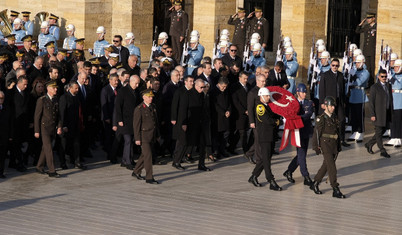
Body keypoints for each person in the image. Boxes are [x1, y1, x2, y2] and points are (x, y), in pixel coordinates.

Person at [311, 96, 346, 198]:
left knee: (325, 166)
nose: (333, 108)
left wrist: (339, 146)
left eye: (333, 106)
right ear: (325, 106)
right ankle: (335, 188)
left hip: (333, 145)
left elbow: (337, 133)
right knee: (332, 168)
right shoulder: (321, 119)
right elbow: (316, 134)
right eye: (331, 106)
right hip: (325, 145)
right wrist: (316, 146)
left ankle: (315, 183)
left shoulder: (334, 118)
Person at [248, 87, 282, 191]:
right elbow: (267, 120)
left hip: (270, 135)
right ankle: (270, 180)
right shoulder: (260, 107)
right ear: (261, 96)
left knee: (265, 158)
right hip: (265, 136)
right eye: (267, 96)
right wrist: (277, 122)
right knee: (266, 159)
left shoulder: (266, 106)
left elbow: (273, 115)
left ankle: (254, 176)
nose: (268, 97)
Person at [283, 83, 314, 186]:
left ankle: (289, 171)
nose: (304, 94)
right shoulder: (293, 103)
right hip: (297, 131)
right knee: (301, 154)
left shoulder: (309, 103)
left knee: (302, 154)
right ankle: (306, 176)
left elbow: (308, 114)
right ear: (297, 92)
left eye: (305, 92)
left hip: (306, 130)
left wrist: (297, 117)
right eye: (302, 92)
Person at [110, 75, 140, 167]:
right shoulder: (122, 91)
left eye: (138, 83)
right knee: (128, 140)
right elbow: (118, 106)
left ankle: (126, 159)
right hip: (124, 120)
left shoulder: (136, 91)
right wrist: (119, 120)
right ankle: (127, 161)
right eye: (136, 83)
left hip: (132, 121)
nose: (137, 85)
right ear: (131, 81)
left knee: (130, 141)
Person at [34, 80, 62, 178]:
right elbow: (37, 116)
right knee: (49, 148)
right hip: (44, 127)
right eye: (54, 88)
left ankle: (39, 166)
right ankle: (52, 170)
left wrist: (59, 126)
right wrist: (36, 131)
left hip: (52, 128)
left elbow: (58, 115)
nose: (56, 89)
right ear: (48, 89)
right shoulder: (42, 100)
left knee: (45, 149)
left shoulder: (56, 99)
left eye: (56, 88)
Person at [319, 58, 349, 147]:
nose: (335, 67)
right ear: (330, 65)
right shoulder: (325, 75)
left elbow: (342, 89)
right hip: (329, 102)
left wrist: (343, 101)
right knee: (329, 120)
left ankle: (341, 139)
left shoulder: (340, 75)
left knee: (341, 119)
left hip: (339, 101)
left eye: (336, 65)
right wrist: (322, 102)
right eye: (333, 65)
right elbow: (321, 90)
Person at [132, 89, 160, 184]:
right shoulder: (139, 109)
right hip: (143, 136)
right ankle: (149, 177)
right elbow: (136, 125)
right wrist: (137, 138)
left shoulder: (153, 107)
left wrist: (157, 135)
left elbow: (156, 122)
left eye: (152, 97)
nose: (151, 98)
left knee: (144, 155)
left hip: (152, 135)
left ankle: (136, 171)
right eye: (149, 97)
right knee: (148, 156)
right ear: (144, 97)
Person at [365, 70, 392, 158]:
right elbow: (371, 102)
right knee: (379, 131)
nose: (384, 78)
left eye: (385, 76)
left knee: (381, 131)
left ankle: (369, 143)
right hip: (378, 113)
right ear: (378, 77)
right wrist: (372, 114)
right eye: (382, 76)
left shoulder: (388, 86)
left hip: (387, 112)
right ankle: (382, 150)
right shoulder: (374, 87)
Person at [59, 81, 86, 170]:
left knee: (76, 144)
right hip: (67, 126)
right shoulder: (64, 98)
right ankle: (63, 162)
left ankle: (77, 162)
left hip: (75, 125)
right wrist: (63, 125)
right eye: (76, 88)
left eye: (78, 88)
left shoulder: (77, 97)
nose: (77, 90)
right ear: (70, 88)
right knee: (64, 145)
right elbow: (62, 113)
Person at [171, 76, 194, 170]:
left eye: (193, 81)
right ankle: (176, 161)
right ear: (185, 82)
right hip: (181, 121)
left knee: (184, 141)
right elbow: (174, 105)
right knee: (181, 141)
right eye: (190, 81)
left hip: (189, 120)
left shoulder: (192, 92)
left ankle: (180, 158)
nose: (192, 83)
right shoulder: (179, 92)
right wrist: (173, 118)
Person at [347, 55, 369, 142]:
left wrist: (353, 78)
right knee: (353, 115)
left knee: (359, 115)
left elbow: (359, 82)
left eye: (358, 62)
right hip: (353, 95)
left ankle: (361, 132)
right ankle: (355, 131)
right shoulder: (354, 71)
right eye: (356, 62)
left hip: (360, 95)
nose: (357, 64)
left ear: (363, 63)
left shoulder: (365, 72)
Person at [210, 77, 231, 159]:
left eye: (226, 87)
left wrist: (229, 110)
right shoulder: (213, 92)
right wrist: (223, 112)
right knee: (216, 135)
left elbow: (229, 102)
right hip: (217, 117)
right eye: (223, 87)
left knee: (225, 134)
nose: (224, 88)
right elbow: (214, 105)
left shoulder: (226, 91)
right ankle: (216, 151)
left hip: (226, 117)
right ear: (219, 84)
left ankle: (223, 150)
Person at [356, 12, 376, 87]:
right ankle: (368, 83)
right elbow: (357, 31)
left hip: (372, 50)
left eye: (369, 18)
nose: (368, 19)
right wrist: (361, 24)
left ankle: (372, 83)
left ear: (373, 18)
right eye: (367, 18)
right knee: (367, 67)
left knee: (372, 67)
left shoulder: (376, 27)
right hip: (366, 50)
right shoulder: (367, 27)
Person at [385, 59, 402, 147]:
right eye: (394, 66)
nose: (395, 68)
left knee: (398, 120)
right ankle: (393, 136)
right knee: (392, 119)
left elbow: (399, 85)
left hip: (399, 101)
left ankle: (398, 138)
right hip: (392, 100)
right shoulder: (393, 75)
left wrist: (392, 79)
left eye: (397, 66)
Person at [0, 91, 11, 178]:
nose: (1, 100)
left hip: (4, 135)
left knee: (2, 155)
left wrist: (10, 135)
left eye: (2, 98)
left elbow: (10, 122)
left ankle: (1, 172)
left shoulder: (6, 108)